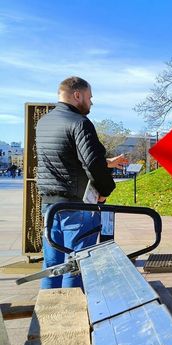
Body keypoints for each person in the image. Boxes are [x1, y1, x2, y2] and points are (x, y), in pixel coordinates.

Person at [36, 76, 128, 289]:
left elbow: (66, 159)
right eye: (89, 97)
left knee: (52, 265)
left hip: (50, 205)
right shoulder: (80, 123)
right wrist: (105, 192)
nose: (91, 102)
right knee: (77, 265)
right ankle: (73, 309)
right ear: (77, 95)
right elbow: (92, 163)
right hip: (77, 206)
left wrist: (108, 162)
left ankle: (49, 308)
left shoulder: (44, 123)